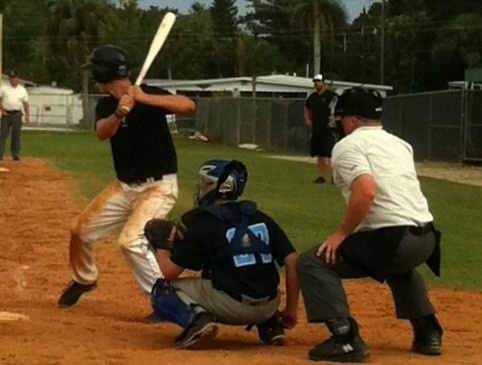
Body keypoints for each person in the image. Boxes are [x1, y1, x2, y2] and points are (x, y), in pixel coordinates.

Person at [297, 87, 443, 363]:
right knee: (395, 265)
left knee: (312, 262)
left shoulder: (348, 145)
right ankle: (428, 332)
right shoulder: (399, 143)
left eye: (340, 118)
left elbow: (366, 191)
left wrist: (341, 234)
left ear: (352, 120)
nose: (337, 123)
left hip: (395, 238)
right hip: (427, 239)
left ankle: (345, 339)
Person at [57, 45, 196, 311]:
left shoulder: (148, 94)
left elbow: (188, 106)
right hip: (124, 187)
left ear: (103, 73)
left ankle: (167, 303)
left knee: (131, 241)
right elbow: (102, 132)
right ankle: (85, 279)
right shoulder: (107, 104)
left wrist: (143, 99)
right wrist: (120, 113)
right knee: (80, 231)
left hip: (158, 187)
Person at [145, 159, 299, 349]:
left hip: (232, 308)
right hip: (269, 306)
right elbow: (292, 260)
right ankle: (271, 326)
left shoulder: (204, 223)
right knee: (250, 274)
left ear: (212, 187)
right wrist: (291, 309)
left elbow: (169, 272)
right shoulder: (260, 216)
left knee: (162, 290)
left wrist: (161, 247)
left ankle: (198, 320)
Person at [304, 74, 337, 184]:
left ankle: (334, 177)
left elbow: (337, 109)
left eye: (318, 81)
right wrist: (308, 120)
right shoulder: (312, 97)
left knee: (330, 154)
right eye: (315, 82)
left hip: (328, 128)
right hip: (317, 129)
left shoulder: (331, 96)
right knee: (320, 154)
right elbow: (306, 108)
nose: (316, 84)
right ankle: (321, 176)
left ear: (323, 82)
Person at [0, 70, 30, 161]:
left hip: (17, 114)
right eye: (11, 78)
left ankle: (15, 154)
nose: (12, 80)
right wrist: (2, 110)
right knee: (3, 134)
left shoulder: (22, 90)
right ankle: (0, 154)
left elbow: (25, 104)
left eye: (14, 78)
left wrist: (27, 115)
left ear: (17, 78)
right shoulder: (4, 88)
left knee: (16, 135)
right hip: (6, 114)